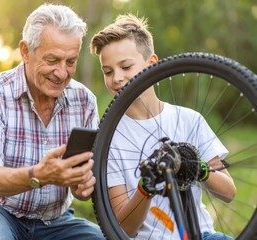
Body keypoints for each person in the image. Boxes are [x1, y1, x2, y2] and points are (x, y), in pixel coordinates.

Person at [0, 3, 105, 240]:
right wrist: (41, 175)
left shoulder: (84, 100)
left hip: (54, 221)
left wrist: (83, 184)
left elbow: (84, 183)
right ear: (25, 51)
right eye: (52, 60)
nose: (62, 73)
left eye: (70, 61)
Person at [90, 14, 236, 240]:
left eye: (126, 66)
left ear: (152, 64)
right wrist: (145, 186)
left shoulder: (190, 120)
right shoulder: (107, 140)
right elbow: (124, 229)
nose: (116, 78)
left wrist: (198, 167)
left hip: (203, 235)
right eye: (107, 72)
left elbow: (228, 193)